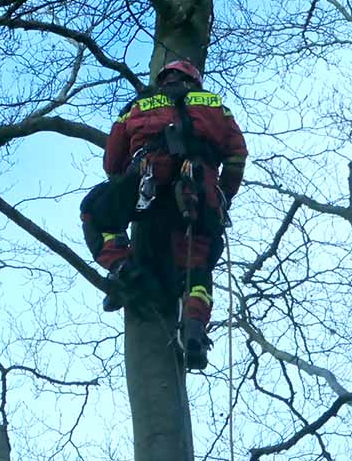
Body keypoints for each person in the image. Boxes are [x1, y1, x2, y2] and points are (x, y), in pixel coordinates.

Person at [81, 59, 247, 370]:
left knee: (95, 213)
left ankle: (125, 269)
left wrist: (125, 181)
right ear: (194, 81)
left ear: (163, 79)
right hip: (200, 188)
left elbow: (112, 162)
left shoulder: (138, 105)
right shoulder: (216, 106)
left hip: (149, 180)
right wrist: (223, 196)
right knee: (196, 268)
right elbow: (237, 155)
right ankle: (195, 329)